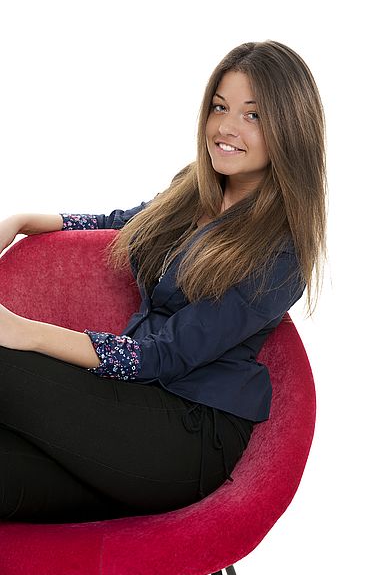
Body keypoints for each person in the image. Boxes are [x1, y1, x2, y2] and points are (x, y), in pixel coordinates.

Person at [0, 40, 326, 523]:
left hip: (187, 436)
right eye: (220, 107)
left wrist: (26, 333)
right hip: (131, 413)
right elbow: (127, 222)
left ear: (290, 128)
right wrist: (26, 219)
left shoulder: (280, 253)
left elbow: (164, 355)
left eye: (252, 115)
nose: (226, 127)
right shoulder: (196, 185)